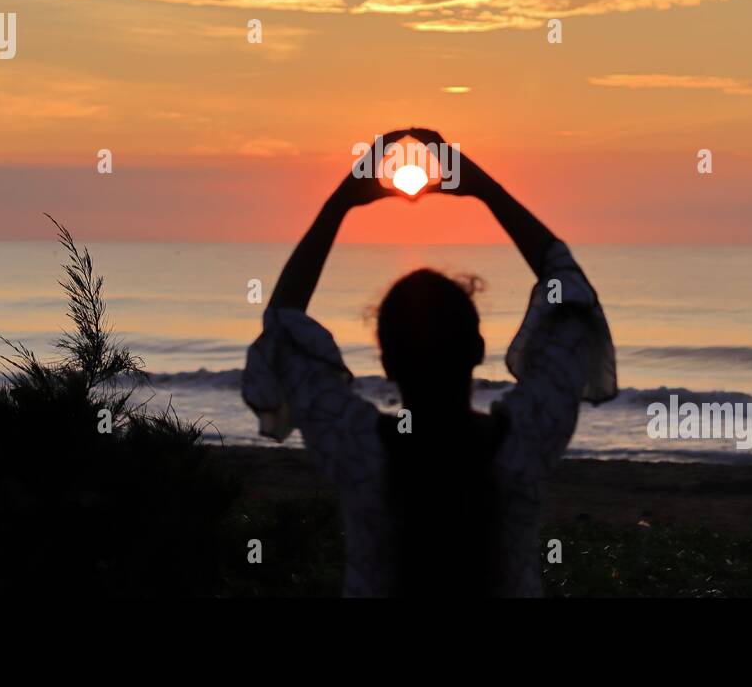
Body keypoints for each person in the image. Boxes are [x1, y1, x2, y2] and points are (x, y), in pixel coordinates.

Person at [242, 128, 616, 596]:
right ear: (479, 349)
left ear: (386, 361)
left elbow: (284, 324)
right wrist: (484, 191)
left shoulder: (356, 448)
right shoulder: (526, 441)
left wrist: (340, 203)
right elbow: (571, 296)